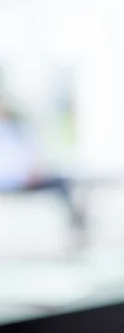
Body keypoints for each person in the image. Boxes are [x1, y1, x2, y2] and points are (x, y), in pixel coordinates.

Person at [0, 96, 84, 246]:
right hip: (10, 180)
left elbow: (30, 154)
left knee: (64, 182)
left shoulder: (17, 129)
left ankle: (76, 225)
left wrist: (34, 171)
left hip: (28, 177)